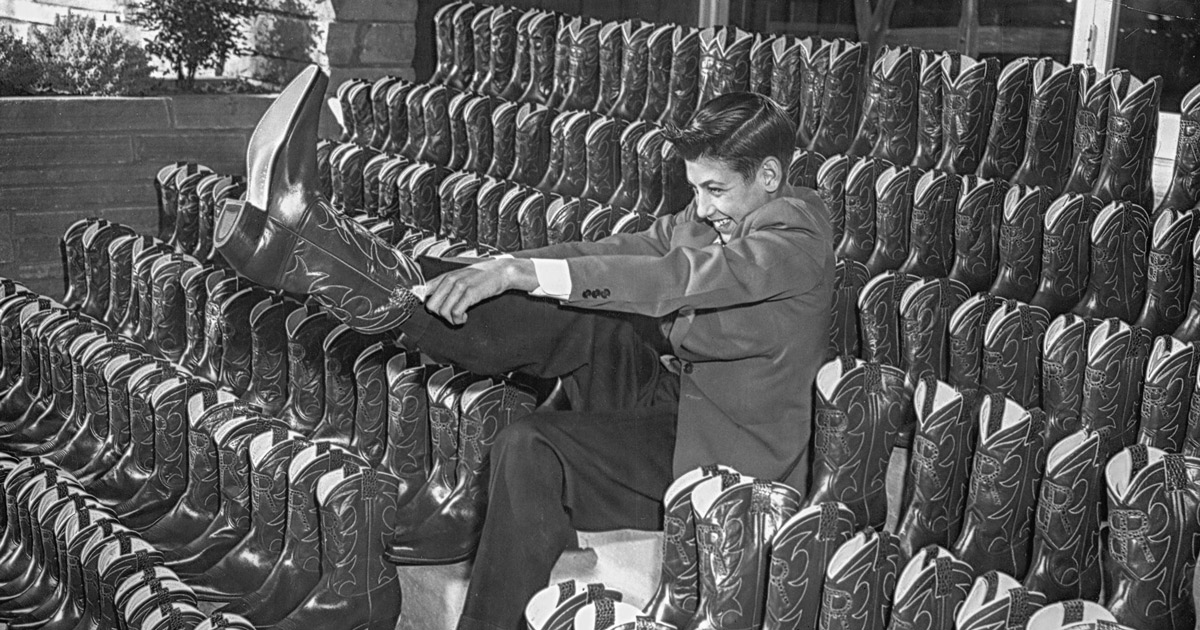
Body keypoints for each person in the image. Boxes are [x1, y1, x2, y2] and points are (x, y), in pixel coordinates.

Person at [216, 66, 833, 630]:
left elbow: (674, 278)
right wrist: (501, 269)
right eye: (695, 189)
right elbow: (616, 255)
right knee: (580, 313)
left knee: (528, 446)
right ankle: (333, 259)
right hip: (675, 399)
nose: (701, 207)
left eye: (715, 190)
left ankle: (314, 253)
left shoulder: (794, 244)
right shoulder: (715, 217)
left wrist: (522, 274)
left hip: (721, 467)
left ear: (769, 177)